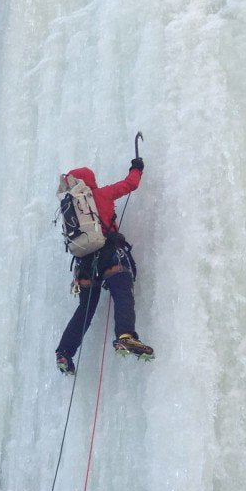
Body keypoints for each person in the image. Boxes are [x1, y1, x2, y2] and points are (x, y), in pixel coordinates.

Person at [55, 157, 153, 375]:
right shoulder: (102, 194)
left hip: (84, 266)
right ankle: (126, 336)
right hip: (109, 257)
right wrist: (136, 167)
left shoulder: (70, 208)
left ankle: (64, 352)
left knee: (85, 309)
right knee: (121, 292)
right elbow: (131, 184)